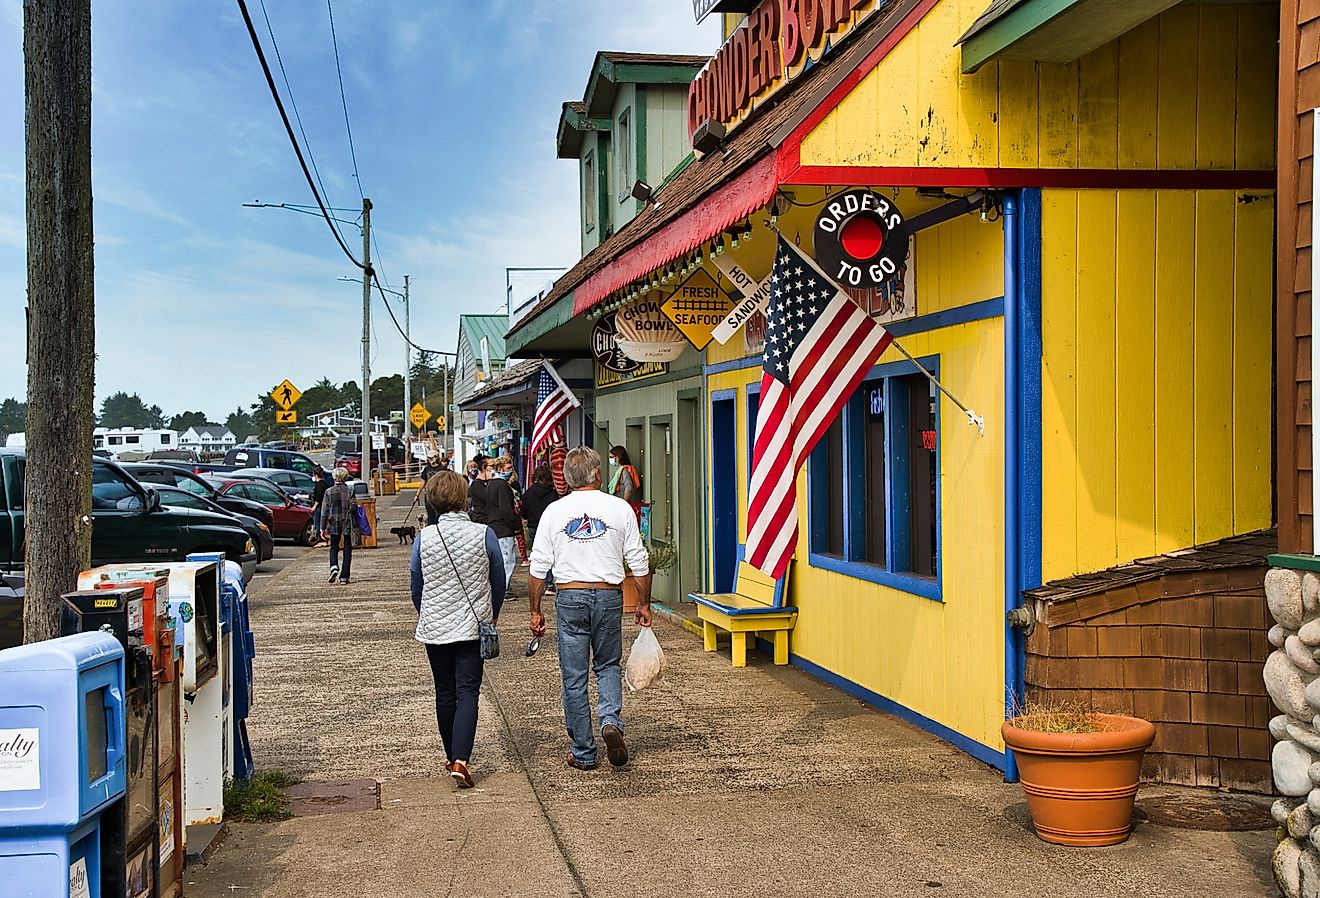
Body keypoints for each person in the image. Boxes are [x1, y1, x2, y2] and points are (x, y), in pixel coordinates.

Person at [529, 447, 651, 770]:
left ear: (568, 478)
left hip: (570, 597)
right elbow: (639, 562)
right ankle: (610, 720)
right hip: (610, 596)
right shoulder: (619, 509)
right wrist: (643, 603)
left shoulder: (554, 512)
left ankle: (584, 751)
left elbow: (538, 568)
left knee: (574, 676)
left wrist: (535, 610)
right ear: (597, 474)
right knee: (608, 664)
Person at [410, 471, 506, 789]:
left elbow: (416, 584)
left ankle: (451, 756)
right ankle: (462, 760)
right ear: (464, 498)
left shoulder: (425, 538)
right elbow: (499, 581)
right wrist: (490, 614)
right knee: (468, 692)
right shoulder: (484, 534)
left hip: (434, 627)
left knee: (444, 691)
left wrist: (428, 613)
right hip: (472, 625)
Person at [469, 454, 520, 593]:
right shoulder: (499, 485)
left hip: (493, 524)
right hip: (500, 527)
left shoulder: (491, 484)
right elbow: (505, 509)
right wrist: (516, 525)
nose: (510, 470)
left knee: (499, 560)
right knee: (507, 560)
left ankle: (499, 587)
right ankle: (502, 589)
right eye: (508, 468)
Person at [321, 467, 358, 585]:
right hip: (347, 522)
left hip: (333, 522)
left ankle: (334, 566)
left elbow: (324, 511)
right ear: (345, 477)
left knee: (334, 547)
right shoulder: (350, 490)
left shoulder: (328, 491)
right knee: (347, 549)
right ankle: (344, 577)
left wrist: (322, 528)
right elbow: (354, 507)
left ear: (334, 477)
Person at [521, 465, 558, 582]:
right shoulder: (553, 494)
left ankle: (539, 579)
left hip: (533, 526)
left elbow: (524, 512)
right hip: (550, 527)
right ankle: (550, 582)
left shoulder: (528, 493)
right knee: (551, 554)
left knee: (538, 555)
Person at [607, 446, 642, 514]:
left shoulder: (624, 471)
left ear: (618, 457)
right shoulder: (620, 470)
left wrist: (624, 503)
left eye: (611, 457)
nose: (610, 459)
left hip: (622, 507)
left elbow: (629, 487)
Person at [420, 453, 445, 526]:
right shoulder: (427, 468)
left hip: (439, 495)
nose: (431, 459)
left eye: (432, 457)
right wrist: (417, 495)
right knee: (430, 515)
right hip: (428, 494)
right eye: (429, 458)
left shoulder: (442, 468)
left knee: (438, 515)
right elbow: (423, 482)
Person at [309, 466, 332, 548]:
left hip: (319, 508)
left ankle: (322, 540)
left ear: (316, 475)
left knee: (318, 524)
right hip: (321, 507)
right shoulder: (323, 483)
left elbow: (318, 497)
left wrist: (314, 507)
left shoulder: (320, 485)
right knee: (319, 524)